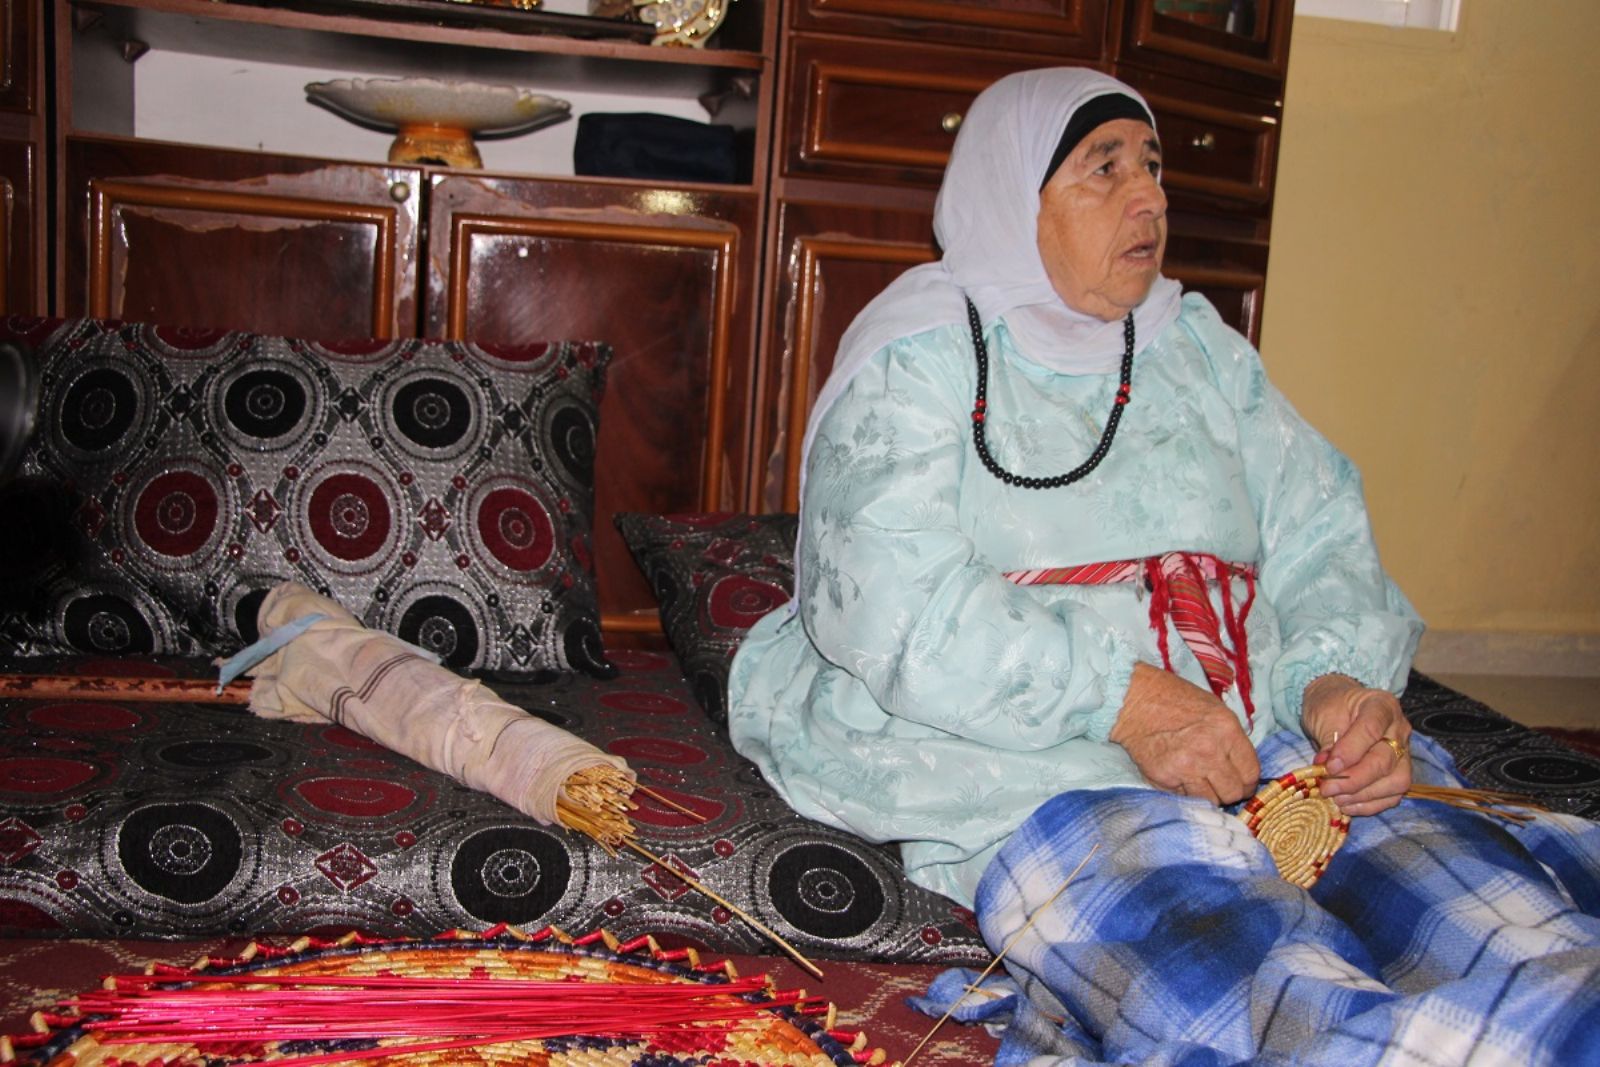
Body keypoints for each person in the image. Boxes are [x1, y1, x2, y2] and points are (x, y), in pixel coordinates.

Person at [728, 68, 1600, 1065]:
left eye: (1151, 167)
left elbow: (1317, 523)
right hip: (1034, 764)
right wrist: (1127, 699)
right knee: (1262, 998)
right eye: (1103, 169)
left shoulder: (1196, 347)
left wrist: (1330, 681)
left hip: (1258, 729)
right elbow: (889, 595)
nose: (1148, 197)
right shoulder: (919, 356)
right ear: (1013, 196)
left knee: (1493, 915)